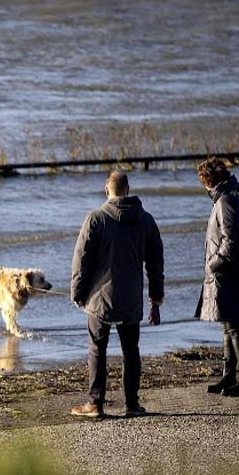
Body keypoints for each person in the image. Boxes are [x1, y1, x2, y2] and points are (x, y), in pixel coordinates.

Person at [70, 171, 164, 418]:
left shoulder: (96, 218)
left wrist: (77, 292)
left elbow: (81, 261)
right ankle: (131, 404)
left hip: (100, 298)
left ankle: (95, 403)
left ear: (106, 190)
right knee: (130, 350)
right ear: (128, 189)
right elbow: (155, 264)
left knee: (97, 349)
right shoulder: (146, 220)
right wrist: (156, 297)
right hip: (131, 298)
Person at [194, 157, 239, 397]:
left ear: (209, 181)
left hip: (231, 273)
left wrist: (213, 264)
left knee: (233, 326)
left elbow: (231, 241)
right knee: (227, 324)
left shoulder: (227, 201)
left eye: (204, 183)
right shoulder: (235, 196)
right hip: (236, 271)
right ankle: (229, 375)